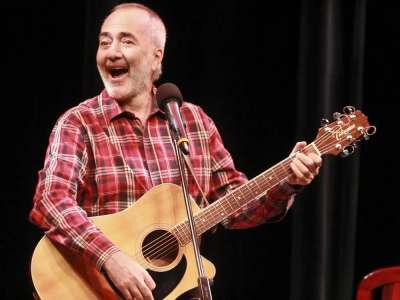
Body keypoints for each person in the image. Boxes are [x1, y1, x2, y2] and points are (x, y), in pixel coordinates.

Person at [29, 3, 322, 300]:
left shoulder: (193, 121)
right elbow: (51, 200)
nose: (111, 52)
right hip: (94, 288)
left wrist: (288, 180)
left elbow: (234, 206)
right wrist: (111, 257)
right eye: (105, 42)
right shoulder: (79, 122)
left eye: (126, 41)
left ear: (156, 58)